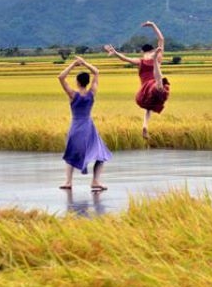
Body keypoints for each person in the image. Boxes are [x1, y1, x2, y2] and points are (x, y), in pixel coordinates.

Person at [104, 21, 170, 139]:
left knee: (149, 107)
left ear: (142, 52)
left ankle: (144, 125)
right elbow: (161, 39)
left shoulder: (140, 61)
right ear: (151, 51)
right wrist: (153, 25)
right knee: (159, 84)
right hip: (153, 84)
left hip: (144, 90)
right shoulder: (159, 55)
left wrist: (115, 53)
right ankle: (155, 66)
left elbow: (125, 59)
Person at [58, 57, 112, 191]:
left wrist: (74, 64)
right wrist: (85, 63)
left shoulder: (72, 94)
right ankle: (95, 181)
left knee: (71, 153)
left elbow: (61, 77)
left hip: (76, 128)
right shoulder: (91, 93)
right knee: (101, 155)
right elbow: (96, 72)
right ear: (87, 82)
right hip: (89, 128)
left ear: (77, 82)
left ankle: (68, 182)